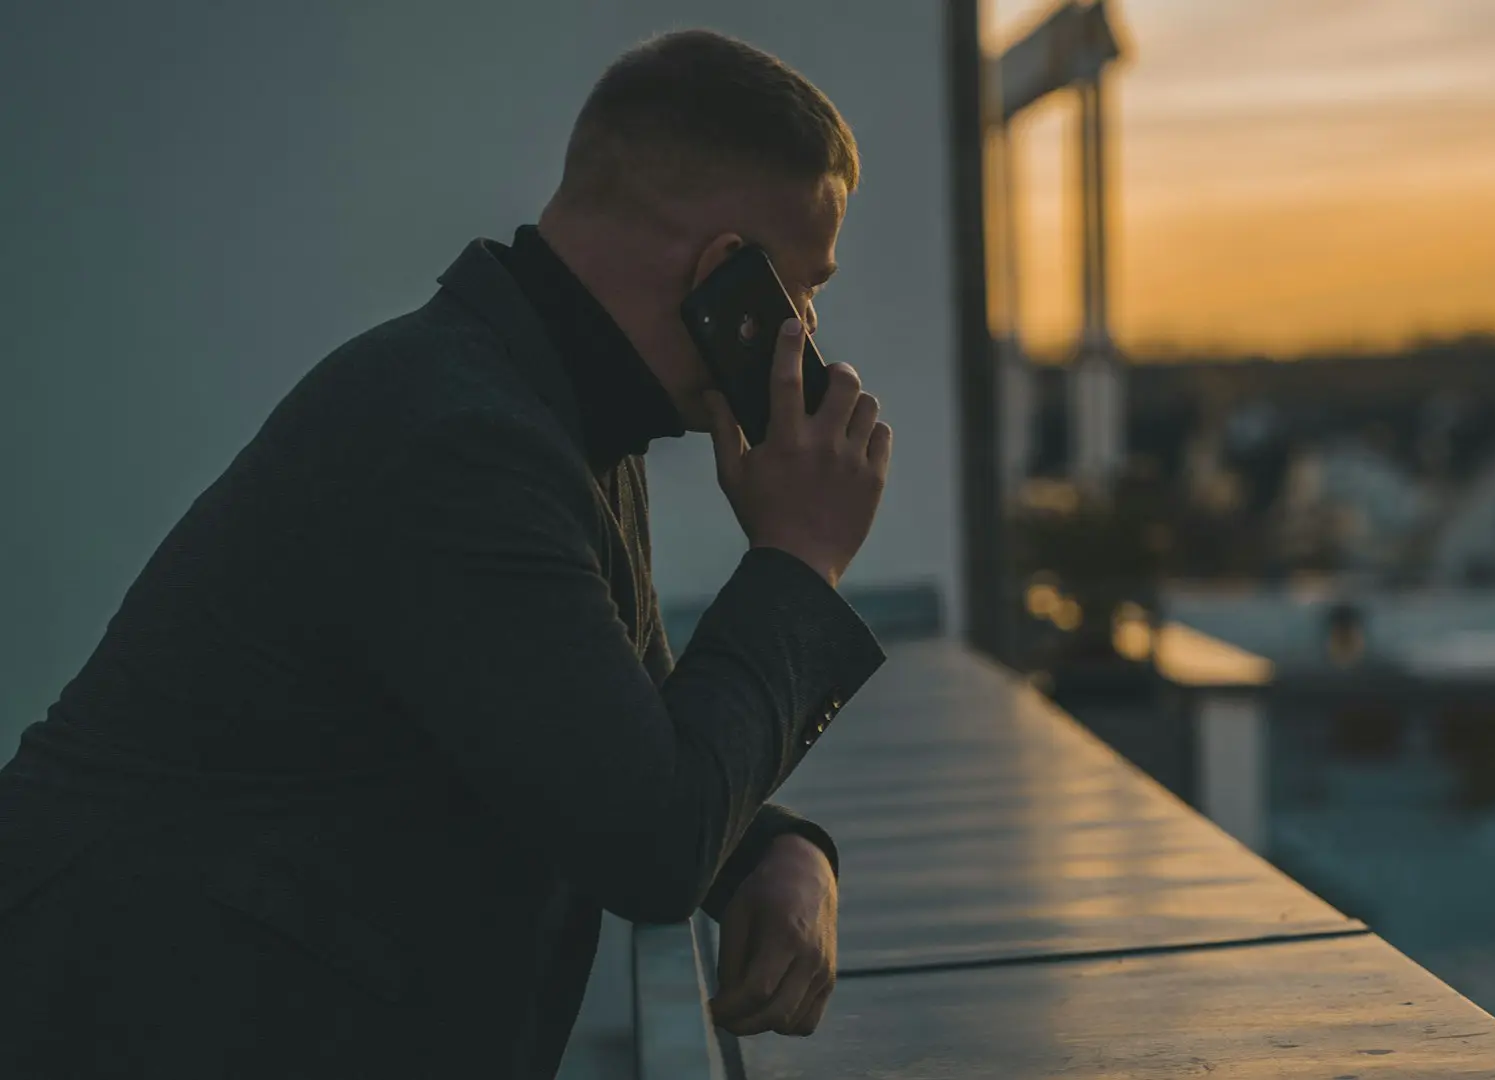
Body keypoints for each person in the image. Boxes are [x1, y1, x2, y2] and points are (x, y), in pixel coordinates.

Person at [0, 27, 892, 1079]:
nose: (810, 331)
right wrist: (796, 561)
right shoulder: (460, 443)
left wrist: (786, 853)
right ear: (722, 275)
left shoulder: (539, 413)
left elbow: (625, 744)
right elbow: (649, 838)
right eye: (802, 288)